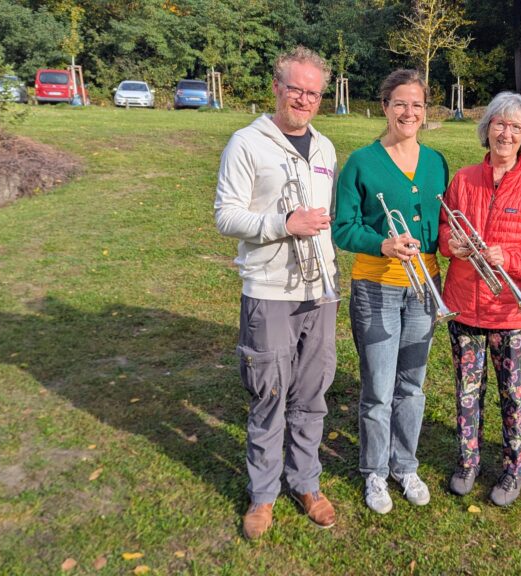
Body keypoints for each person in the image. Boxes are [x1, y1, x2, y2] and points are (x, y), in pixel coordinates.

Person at [214, 46, 339, 540]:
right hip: (269, 289)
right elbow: (226, 215)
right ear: (277, 87)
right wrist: (283, 223)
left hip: (320, 289)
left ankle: (305, 482)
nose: (304, 99)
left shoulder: (326, 148)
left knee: (312, 394)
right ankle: (263, 494)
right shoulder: (246, 143)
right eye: (296, 89)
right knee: (268, 394)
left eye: (312, 93)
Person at [332, 69, 448, 515]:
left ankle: (406, 464)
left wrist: (449, 240)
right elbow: (343, 227)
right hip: (376, 288)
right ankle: (375, 472)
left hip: (424, 288)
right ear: (384, 107)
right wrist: (382, 243)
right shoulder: (361, 161)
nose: (409, 112)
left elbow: (440, 225)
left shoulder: (436, 162)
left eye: (417, 104)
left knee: (412, 387)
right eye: (400, 103)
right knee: (379, 389)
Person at [437, 92, 521, 506]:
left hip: (512, 311)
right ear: (486, 128)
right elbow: (443, 232)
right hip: (464, 304)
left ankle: (514, 467)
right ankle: (468, 460)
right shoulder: (463, 179)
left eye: (515, 127)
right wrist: (453, 244)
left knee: (514, 393)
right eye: (499, 124)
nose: (506, 133)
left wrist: (508, 256)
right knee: (467, 390)